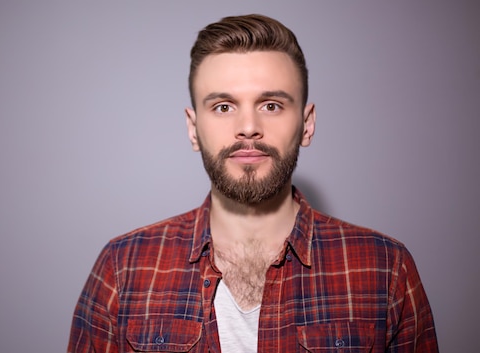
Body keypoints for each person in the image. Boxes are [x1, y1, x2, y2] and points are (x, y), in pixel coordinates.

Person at [67, 14, 438, 352]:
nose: (247, 127)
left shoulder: (386, 268)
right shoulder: (123, 267)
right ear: (193, 129)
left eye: (271, 105)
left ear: (306, 124)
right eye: (223, 107)